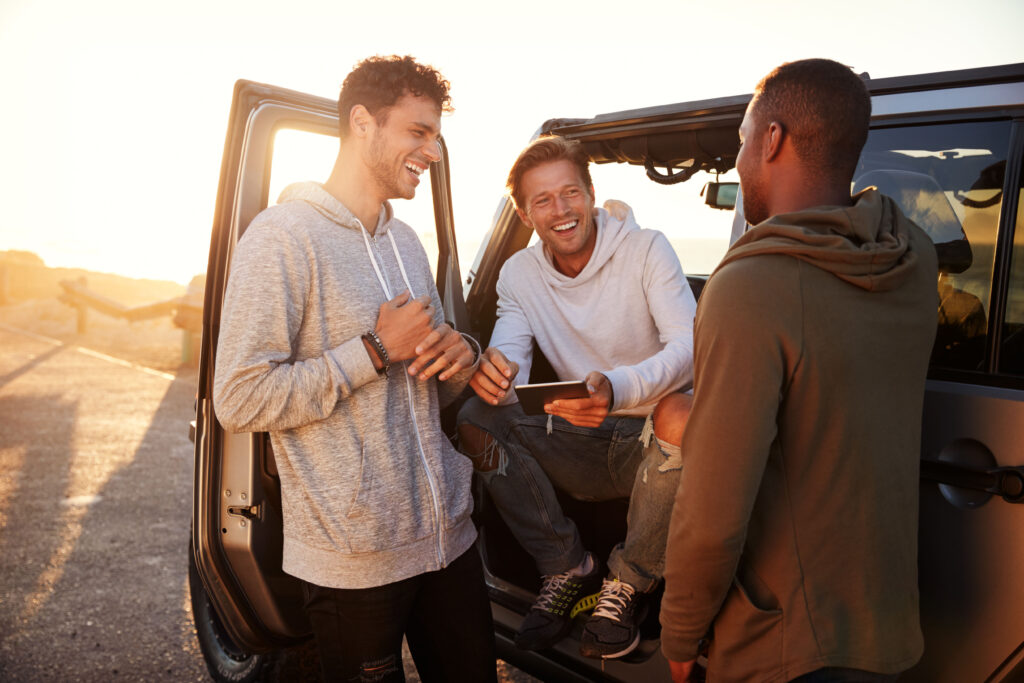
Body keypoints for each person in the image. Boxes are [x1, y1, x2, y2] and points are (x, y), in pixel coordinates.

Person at [213, 55, 496, 682]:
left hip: (447, 538)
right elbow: (238, 397)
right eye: (419, 132)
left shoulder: (406, 243)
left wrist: (460, 355)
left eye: (437, 135)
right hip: (354, 559)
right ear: (362, 123)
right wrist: (371, 351)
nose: (435, 151)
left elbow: (431, 378)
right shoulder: (282, 238)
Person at [660, 58, 938, 682]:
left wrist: (680, 632)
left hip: (784, 643)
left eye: (739, 143)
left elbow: (713, 508)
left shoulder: (752, 287)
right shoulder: (912, 257)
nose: (737, 163)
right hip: (887, 623)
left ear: (773, 139)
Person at [457, 135, 697, 660]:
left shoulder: (646, 248)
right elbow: (511, 348)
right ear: (524, 212)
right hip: (578, 436)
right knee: (476, 415)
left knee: (682, 415)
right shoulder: (520, 272)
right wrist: (494, 368)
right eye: (542, 200)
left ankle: (627, 584)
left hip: (656, 444)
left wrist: (617, 388)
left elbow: (689, 347)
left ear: (590, 193)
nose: (560, 210)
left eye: (570, 193)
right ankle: (567, 565)